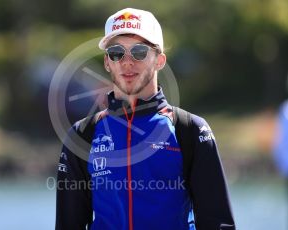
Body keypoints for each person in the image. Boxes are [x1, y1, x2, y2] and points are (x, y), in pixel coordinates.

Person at [56, 8, 235, 230]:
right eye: (116, 52)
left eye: (139, 52)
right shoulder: (83, 134)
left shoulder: (190, 130)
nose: (127, 62)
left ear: (159, 60)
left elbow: (218, 224)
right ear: (107, 62)